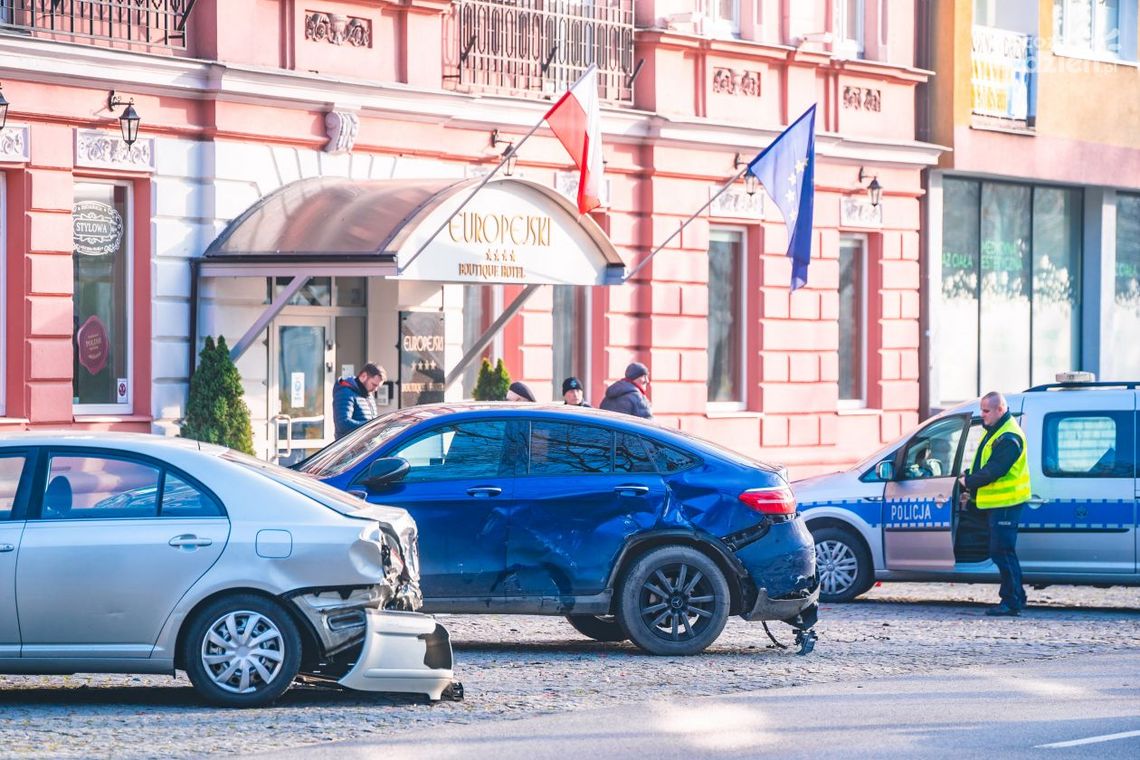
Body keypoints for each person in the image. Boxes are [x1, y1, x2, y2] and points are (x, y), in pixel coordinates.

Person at [957, 391, 1031, 617]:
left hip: (1006, 503)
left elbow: (994, 470)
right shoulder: (997, 431)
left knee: (1002, 552)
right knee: (1002, 552)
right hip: (997, 503)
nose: (983, 415)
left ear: (1000, 409)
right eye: (982, 410)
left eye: (986, 411)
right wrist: (969, 477)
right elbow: (983, 463)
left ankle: (1011, 601)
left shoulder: (1009, 437)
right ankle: (1016, 595)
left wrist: (967, 482)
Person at [333, 363, 385, 439]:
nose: (375, 389)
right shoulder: (345, 392)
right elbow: (342, 424)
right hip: (350, 447)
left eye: (377, 386)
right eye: (374, 385)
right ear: (364, 376)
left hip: (365, 446)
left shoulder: (368, 395)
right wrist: (372, 425)